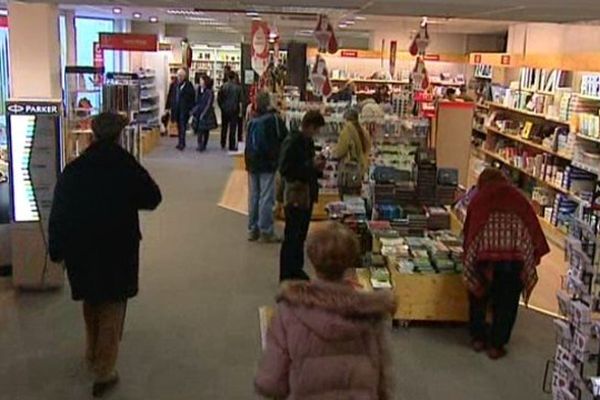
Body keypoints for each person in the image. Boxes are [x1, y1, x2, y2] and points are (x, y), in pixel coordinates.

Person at [48, 112, 162, 397]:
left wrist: (57, 248)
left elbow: (59, 210)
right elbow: (152, 197)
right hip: (117, 248)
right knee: (113, 305)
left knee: (91, 300)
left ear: (94, 134)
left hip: (82, 250)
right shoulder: (125, 165)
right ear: (119, 135)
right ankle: (104, 370)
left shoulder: (75, 169)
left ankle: (92, 353)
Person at [255, 222, 396, 399]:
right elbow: (382, 381)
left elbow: (271, 383)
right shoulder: (370, 313)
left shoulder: (289, 312)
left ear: (313, 259)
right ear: (350, 260)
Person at [463, 167, 550, 360]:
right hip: (514, 259)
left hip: (484, 258)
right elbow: (533, 229)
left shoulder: (480, 198)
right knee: (508, 301)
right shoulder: (519, 198)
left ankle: (478, 337)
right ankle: (496, 344)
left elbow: (470, 230)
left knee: (478, 294)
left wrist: (468, 254)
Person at [278, 110, 326, 281]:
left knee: (299, 236)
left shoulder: (306, 141)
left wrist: (317, 168)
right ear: (310, 126)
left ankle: (295, 269)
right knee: (292, 236)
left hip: (305, 194)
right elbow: (286, 169)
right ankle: (286, 274)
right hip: (296, 195)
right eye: (317, 129)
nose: (317, 133)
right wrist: (310, 165)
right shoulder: (294, 141)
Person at [245, 92, 288, 243]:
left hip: (252, 161)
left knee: (254, 196)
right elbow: (284, 138)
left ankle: (252, 228)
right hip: (268, 162)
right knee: (266, 196)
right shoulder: (274, 119)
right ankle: (266, 230)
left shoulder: (252, 118)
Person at [332, 108, 370, 197]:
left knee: (346, 197)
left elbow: (340, 151)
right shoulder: (363, 130)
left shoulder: (347, 130)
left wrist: (333, 152)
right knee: (356, 197)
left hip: (348, 170)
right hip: (360, 168)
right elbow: (368, 147)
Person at [168, 68, 195, 151]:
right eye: (178, 75)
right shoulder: (174, 84)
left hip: (184, 109)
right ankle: (180, 142)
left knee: (183, 125)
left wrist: (191, 109)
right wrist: (168, 107)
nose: (179, 77)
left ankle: (182, 143)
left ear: (184, 76)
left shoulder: (189, 85)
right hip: (176, 108)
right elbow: (170, 96)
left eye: (181, 76)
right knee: (179, 126)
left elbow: (192, 98)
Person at [217, 70, 243, 151]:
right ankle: (231, 145)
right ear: (234, 77)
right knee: (233, 128)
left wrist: (221, 107)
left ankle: (223, 142)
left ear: (227, 77)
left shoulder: (223, 86)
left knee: (224, 127)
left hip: (225, 109)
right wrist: (240, 112)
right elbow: (240, 101)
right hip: (234, 110)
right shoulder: (238, 88)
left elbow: (219, 98)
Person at [192, 74, 217, 152]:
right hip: (199, 111)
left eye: (201, 80)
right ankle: (200, 144)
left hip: (207, 112)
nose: (200, 82)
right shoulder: (198, 89)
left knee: (205, 129)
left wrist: (204, 112)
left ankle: (203, 144)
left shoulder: (210, 92)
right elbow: (196, 101)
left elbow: (209, 104)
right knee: (200, 129)